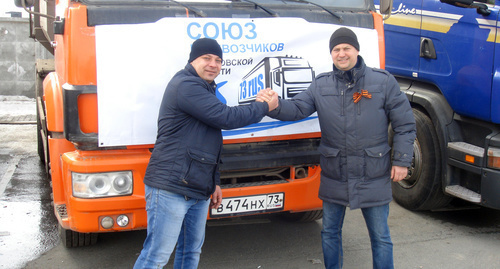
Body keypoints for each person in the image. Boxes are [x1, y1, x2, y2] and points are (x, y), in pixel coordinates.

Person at [257, 27, 416, 269]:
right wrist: (276, 105)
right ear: (331, 54)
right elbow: (298, 108)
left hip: (373, 172)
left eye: (346, 48)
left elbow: (405, 124)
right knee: (330, 232)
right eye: (336, 49)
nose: (341, 54)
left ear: (357, 50)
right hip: (335, 173)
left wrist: (402, 161)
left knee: (380, 237)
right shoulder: (321, 85)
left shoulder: (383, 82)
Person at [134, 38, 278, 269]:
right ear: (193, 60)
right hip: (171, 187)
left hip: (197, 188)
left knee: (190, 253)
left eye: (218, 60)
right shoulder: (186, 86)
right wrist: (264, 106)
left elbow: (207, 142)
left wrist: (215, 182)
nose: (213, 64)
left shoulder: (204, 88)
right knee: (156, 257)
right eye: (207, 58)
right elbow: (227, 117)